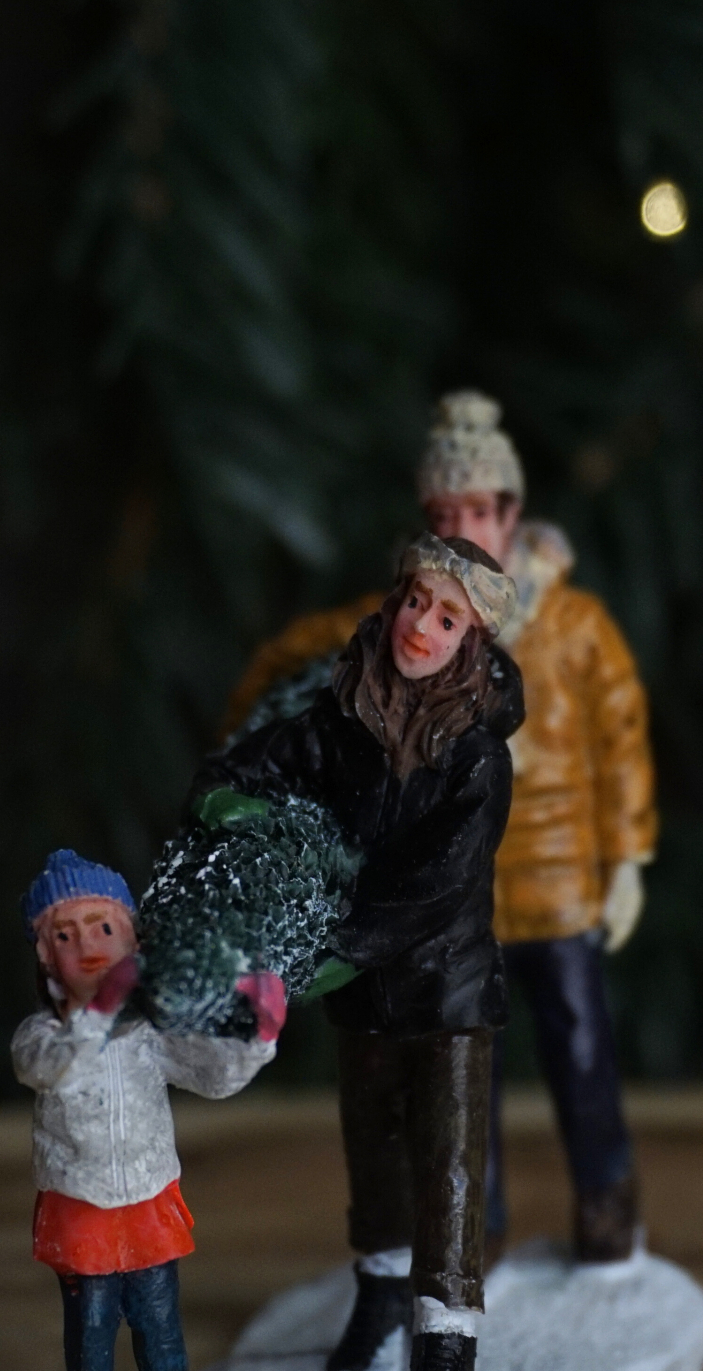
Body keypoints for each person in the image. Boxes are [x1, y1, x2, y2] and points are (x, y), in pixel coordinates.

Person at [221, 391, 657, 1263]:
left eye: (479, 511)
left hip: (560, 879)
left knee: (580, 1047)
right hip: (458, 897)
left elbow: (621, 736)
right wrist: (250, 747)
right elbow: (291, 663)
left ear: (512, 512)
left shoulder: (573, 626)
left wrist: (628, 856)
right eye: (445, 513)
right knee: (466, 1070)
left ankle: (607, 1203)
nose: (466, 523)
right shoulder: (409, 620)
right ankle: (477, 1221)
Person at [194, 536, 522, 1371]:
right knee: (370, 1152)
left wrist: (320, 951)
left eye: (447, 617)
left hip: (446, 995)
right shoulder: (347, 713)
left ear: (473, 642)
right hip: (364, 997)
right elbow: (248, 766)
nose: (422, 625)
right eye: (417, 602)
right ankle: (376, 1307)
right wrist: (235, 813)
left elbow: (434, 889)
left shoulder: (477, 762)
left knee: (448, 1177)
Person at [12, 849, 287, 1371]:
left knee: (161, 1317)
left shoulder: (151, 1036)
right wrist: (96, 1016)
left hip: (146, 1197)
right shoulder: (40, 1037)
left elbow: (212, 1076)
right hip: (82, 1204)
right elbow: (55, 1071)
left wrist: (257, 1031)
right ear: (45, 956)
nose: (87, 945)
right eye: (66, 933)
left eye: (103, 928)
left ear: (133, 939)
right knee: (91, 1325)